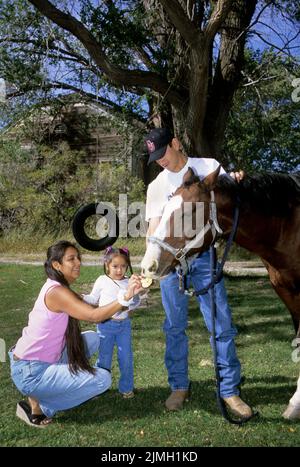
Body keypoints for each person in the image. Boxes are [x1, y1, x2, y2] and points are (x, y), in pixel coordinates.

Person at [144, 127, 252, 419]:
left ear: (176, 143)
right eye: (155, 157)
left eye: (162, 153)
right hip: (171, 266)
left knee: (221, 325)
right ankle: (179, 386)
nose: (160, 161)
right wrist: (149, 264)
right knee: (174, 327)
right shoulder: (156, 186)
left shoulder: (209, 167)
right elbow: (154, 228)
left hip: (203, 259)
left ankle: (229, 390)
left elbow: (232, 204)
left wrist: (237, 180)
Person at [9, 240, 142, 428]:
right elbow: (94, 316)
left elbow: (92, 305)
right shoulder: (57, 292)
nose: (78, 262)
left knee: (93, 338)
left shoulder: (58, 287)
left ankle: (50, 388)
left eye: (78, 258)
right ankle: (40, 407)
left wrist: (132, 294)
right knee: (102, 380)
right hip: (31, 371)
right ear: (57, 265)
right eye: (71, 259)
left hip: (38, 360)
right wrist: (125, 297)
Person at [82, 246, 141, 399]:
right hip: (105, 325)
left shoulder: (129, 282)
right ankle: (99, 388)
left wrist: (136, 294)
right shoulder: (102, 280)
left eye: (123, 266)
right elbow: (93, 299)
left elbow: (134, 303)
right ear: (107, 265)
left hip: (124, 326)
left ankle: (126, 388)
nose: (119, 270)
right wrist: (79, 297)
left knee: (126, 357)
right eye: (115, 266)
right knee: (104, 358)